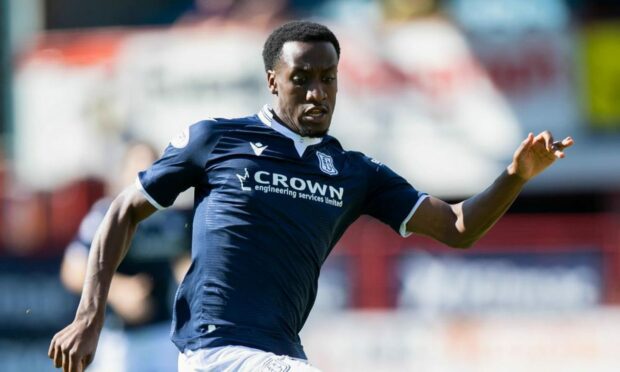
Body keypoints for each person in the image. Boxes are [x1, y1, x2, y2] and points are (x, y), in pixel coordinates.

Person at [48, 20, 573, 372]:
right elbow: (122, 210)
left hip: (282, 351)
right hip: (218, 347)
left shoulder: (354, 172)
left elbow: (458, 228)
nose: (318, 93)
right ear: (273, 81)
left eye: (328, 79)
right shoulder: (215, 139)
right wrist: (89, 315)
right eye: (302, 79)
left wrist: (516, 175)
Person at [58, 142, 191, 372]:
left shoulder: (173, 219)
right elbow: (72, 269)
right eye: (137, 168)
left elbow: (184, 263)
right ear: (122, 173)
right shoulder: (106, 214)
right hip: (118, 338)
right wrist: (117, 291)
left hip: (165, 337)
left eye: (151, 167)